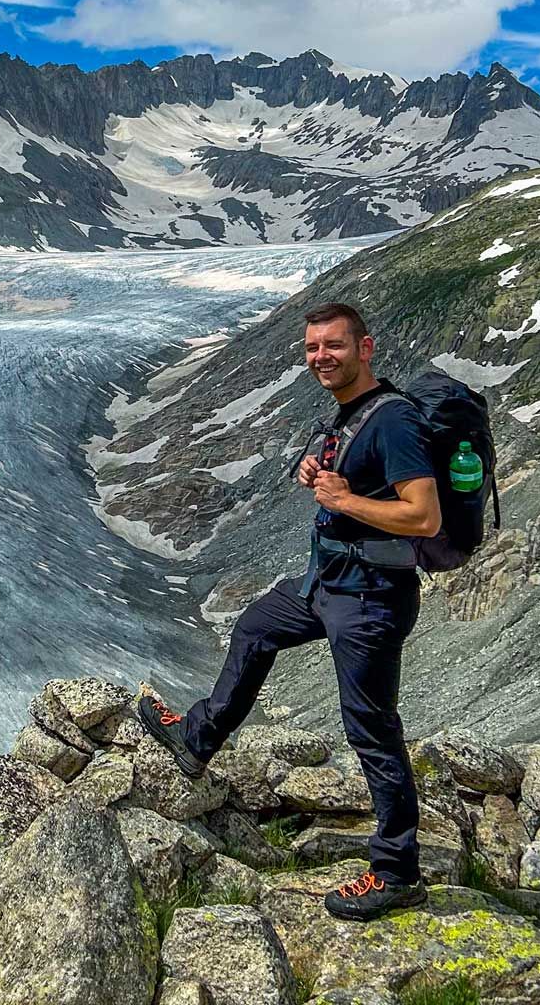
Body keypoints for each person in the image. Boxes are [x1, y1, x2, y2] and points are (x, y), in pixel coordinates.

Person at [138, 301, 439, 921]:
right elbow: (353, 483)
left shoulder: (395, 421)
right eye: (311, 348)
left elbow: (423, 516)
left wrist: (346, 499)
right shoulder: (350, 415)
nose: (321, 357)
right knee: (254, 627)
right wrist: (320, 474)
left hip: (369, 599)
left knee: (370, 727)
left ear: (365, 348)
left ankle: (397, 871)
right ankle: (196, 739)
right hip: (325, 583)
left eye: (333, 345)